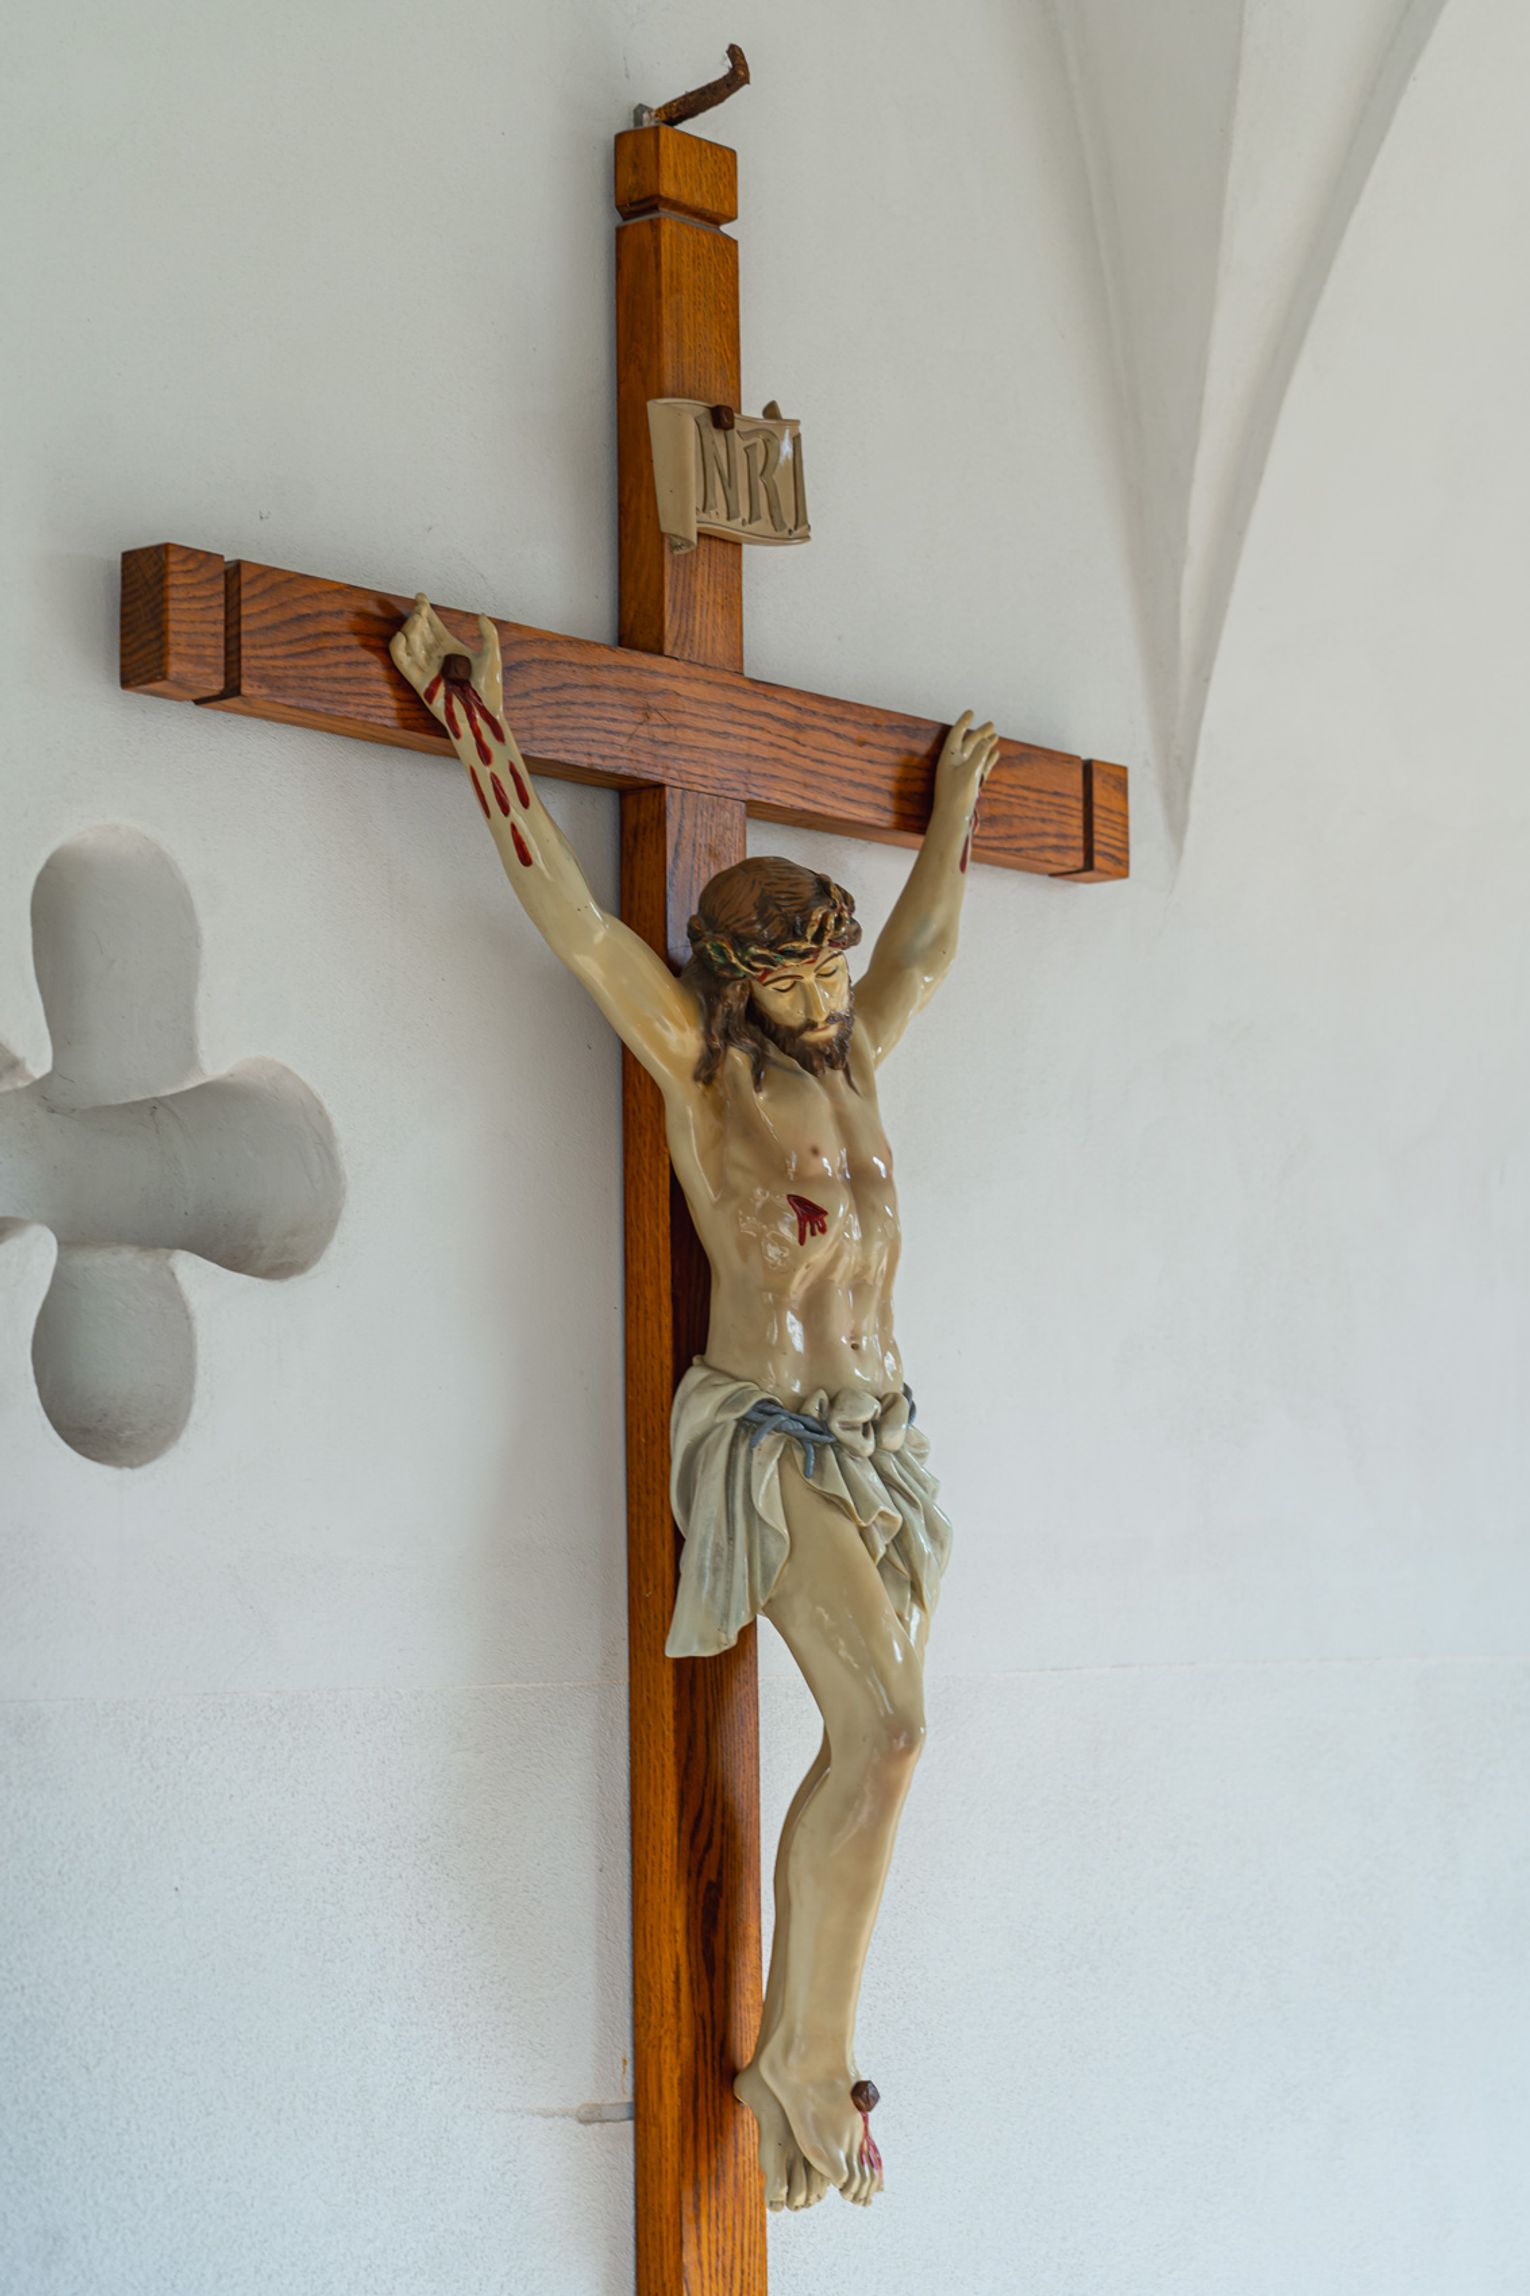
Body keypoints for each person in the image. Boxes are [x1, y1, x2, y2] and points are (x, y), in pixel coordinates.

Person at [392, 597, 998, 2210]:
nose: (824, 999)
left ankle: (801, 2047)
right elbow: (583, 927)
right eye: (792, 982)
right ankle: (807, 2056)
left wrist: (952, 811)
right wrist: (477, 722)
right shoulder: (707, 1073)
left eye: (829, 972)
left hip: (879, 1443)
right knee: (888, 1728)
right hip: (766, 1431)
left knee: (881, 1747)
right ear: (735, 984)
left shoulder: (854, 1062)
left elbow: (926, 952)